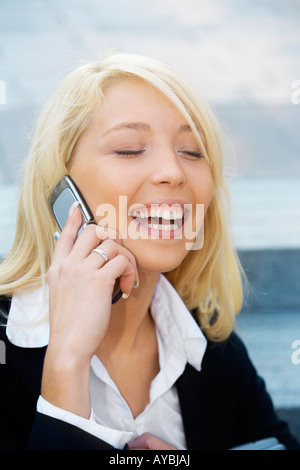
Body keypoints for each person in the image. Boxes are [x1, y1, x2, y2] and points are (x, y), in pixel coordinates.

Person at [0, 52, 298, 451]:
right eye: (128, 149)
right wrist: (67, 363)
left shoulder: (207, 342)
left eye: (192, 152)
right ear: (62, 187)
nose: (173, 172)